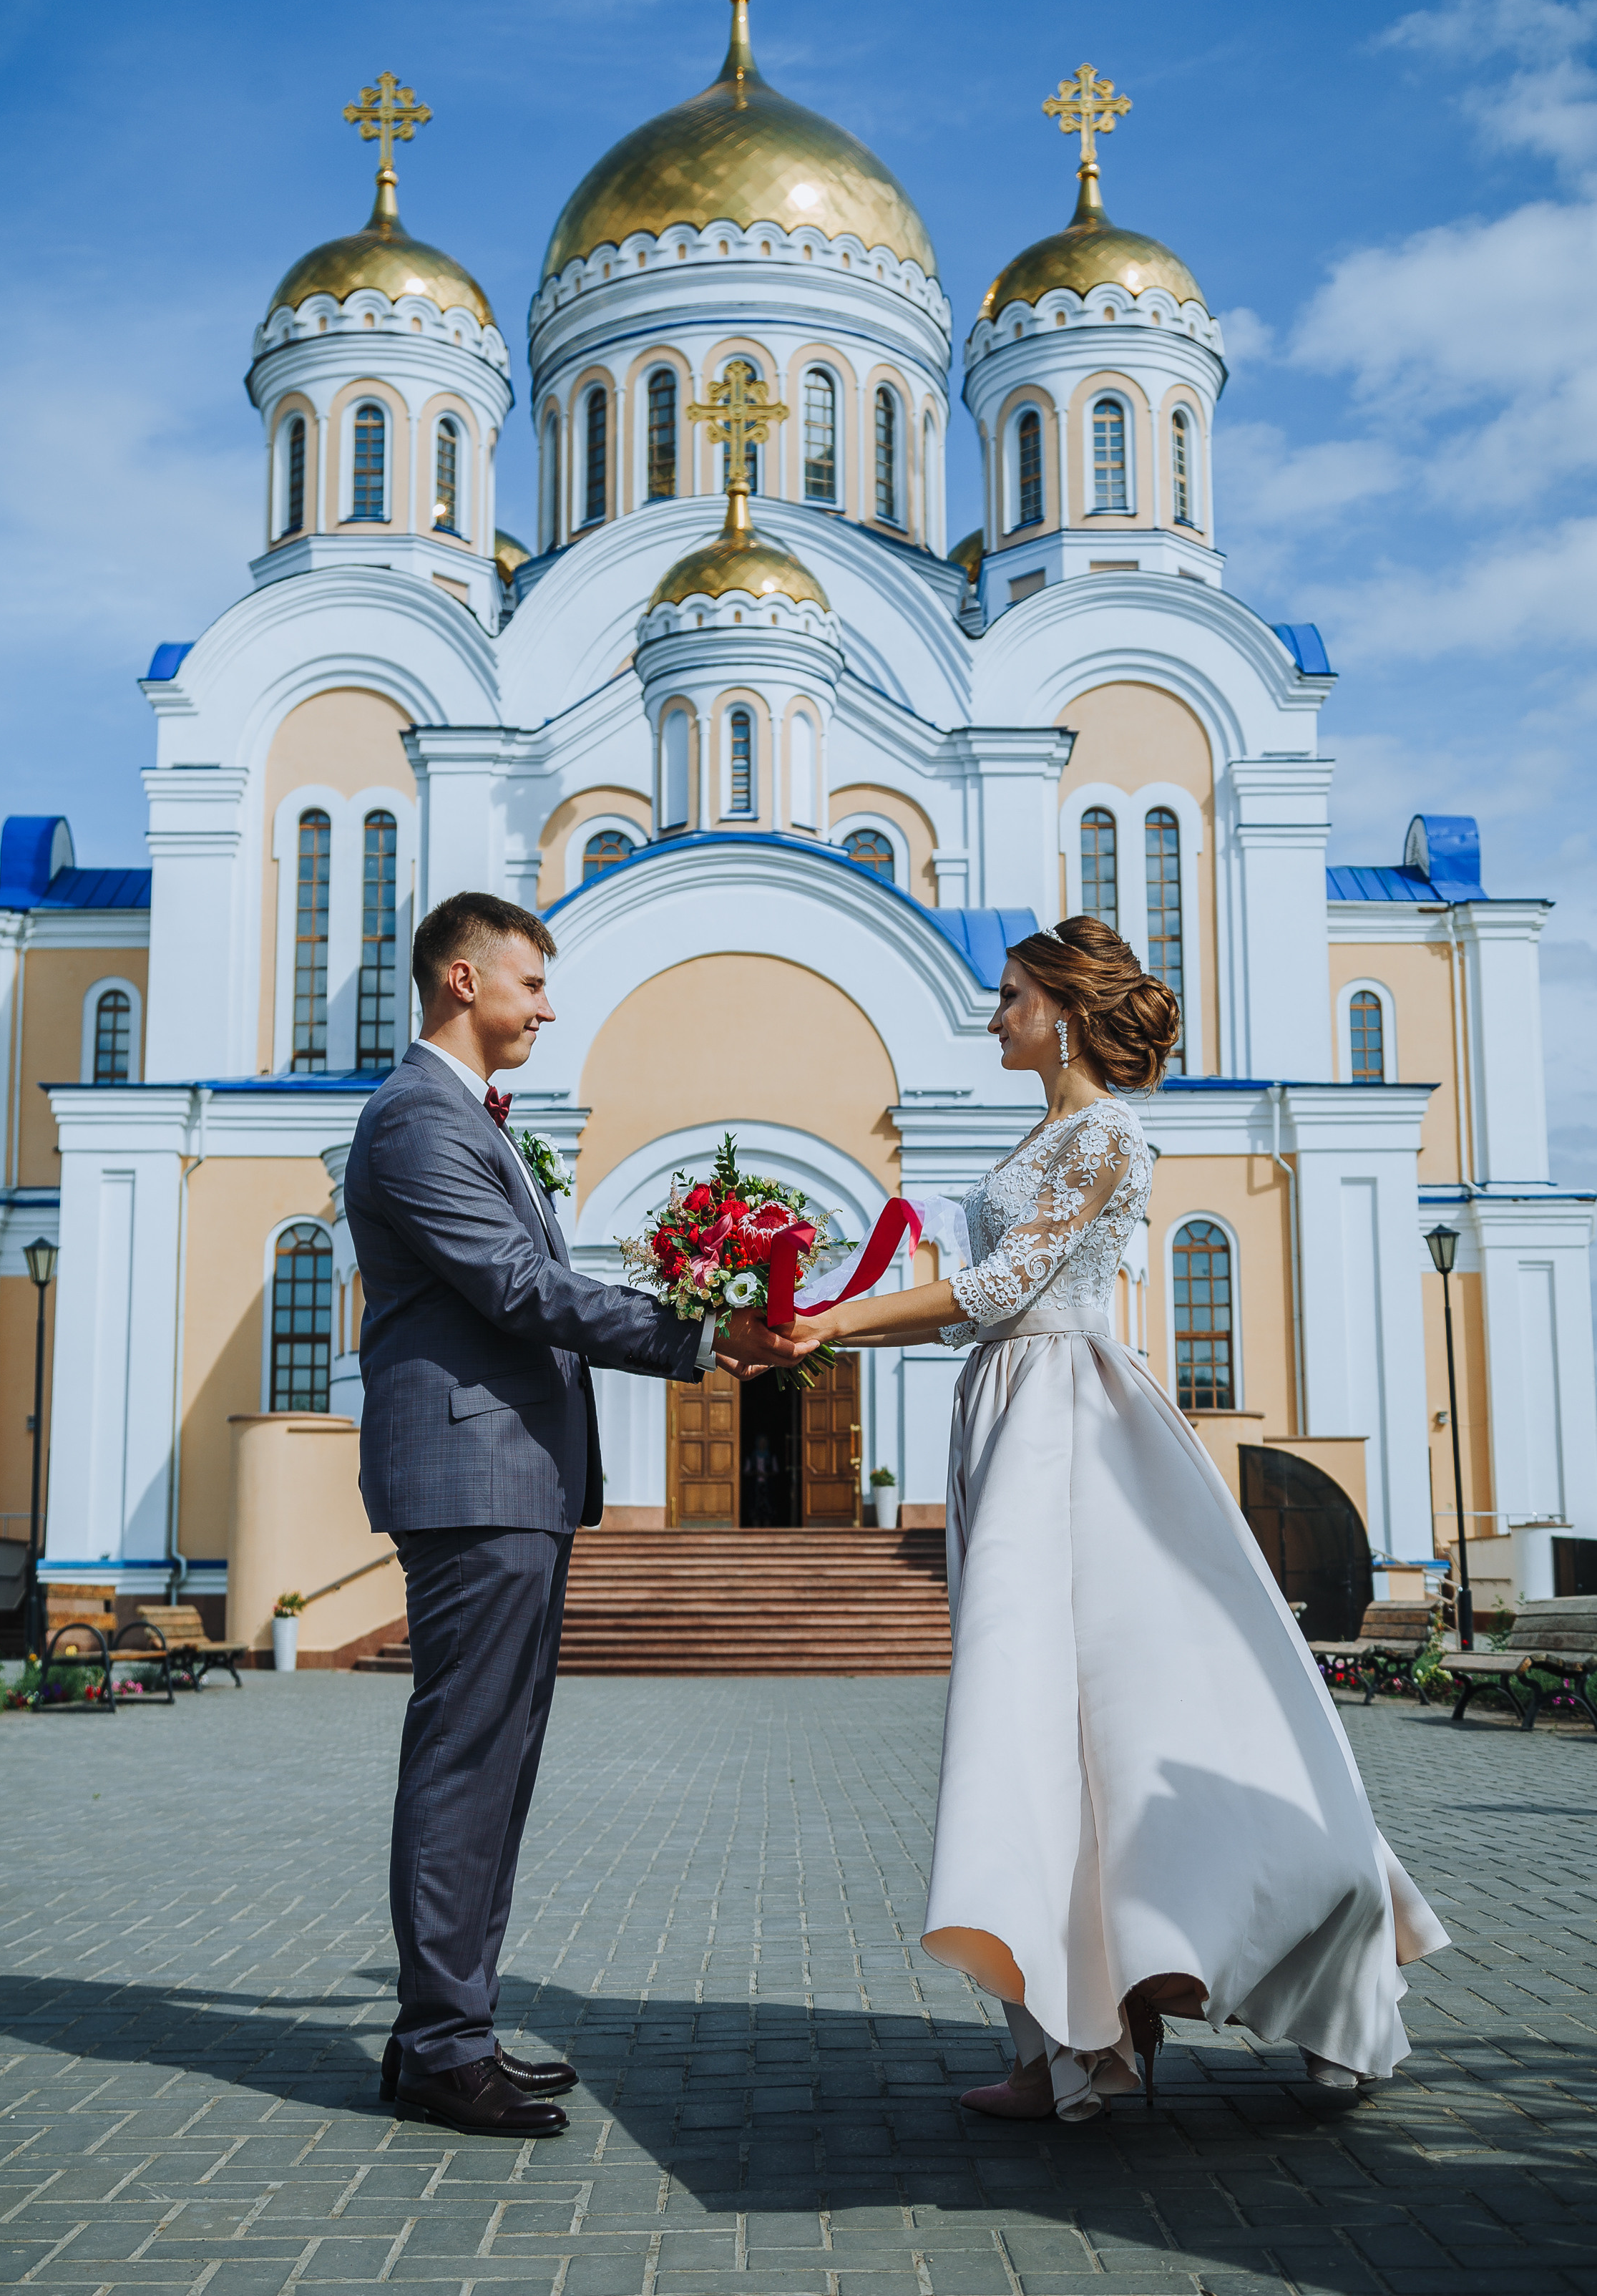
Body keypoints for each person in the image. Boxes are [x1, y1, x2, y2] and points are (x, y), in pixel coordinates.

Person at [801, 916, 1448, 2122]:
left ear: (1061, 1010)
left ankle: (1256, 1975)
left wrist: (833, 1326)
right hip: (1010, 1410)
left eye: (1007, 998)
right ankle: (1077, 2038)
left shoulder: (1107, 1129)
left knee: (1105, 1699)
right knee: (1039, 1722)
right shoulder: (1043, 1130)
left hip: (1070, 1422)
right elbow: (980, 1294)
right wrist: (832, 1298)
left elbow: (1005, 1290)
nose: (993, 1016)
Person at [345, 891, 800, 2138]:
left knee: (496, 1762)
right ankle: (443, 2045)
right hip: (474, 1481)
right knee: (466, 1761)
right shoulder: (413, 1120)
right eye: (531, 983)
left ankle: (444, 2033)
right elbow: (513, 1286)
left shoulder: (459, 1119)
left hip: (513, 1486)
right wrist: (702, 1336)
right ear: (458, 979)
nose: (549, 1006)